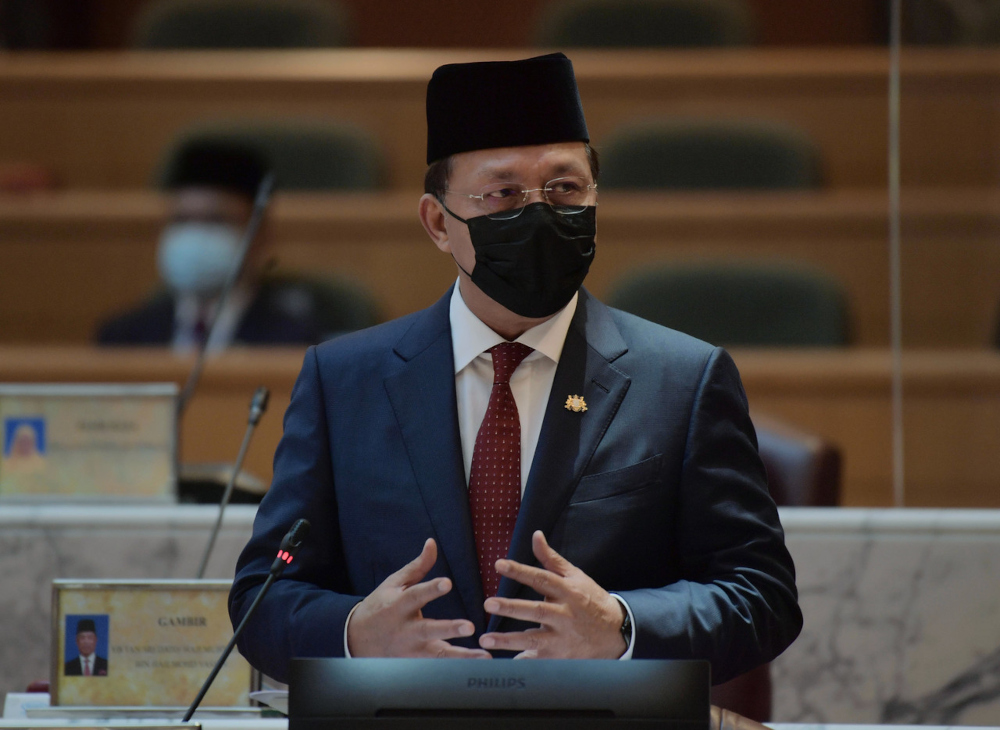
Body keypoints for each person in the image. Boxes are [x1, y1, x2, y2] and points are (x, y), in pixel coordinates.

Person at [230, 53, 802, 683]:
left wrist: (623, 626)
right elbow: (264, 597)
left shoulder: (683, 381)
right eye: (503, 194)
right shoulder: (343, 382)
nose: (539, 215)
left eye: (565, 189)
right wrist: (352, 633)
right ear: (438, 223)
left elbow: (762, 596)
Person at [95, 139, 358, 348]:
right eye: (182, 220)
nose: (195, 236)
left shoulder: (297, 340)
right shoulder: (122, 338)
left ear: (261, 233)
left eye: (216, 220)